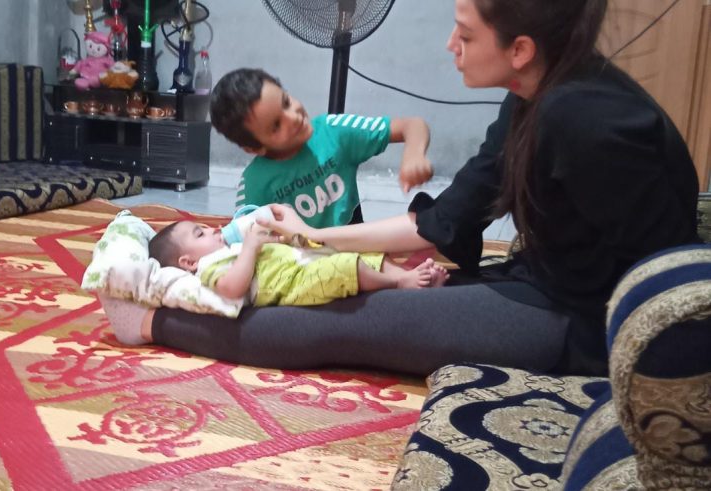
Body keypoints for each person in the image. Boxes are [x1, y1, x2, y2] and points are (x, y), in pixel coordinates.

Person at [102, 0, 700, 377]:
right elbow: (442, 220)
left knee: (346, 317)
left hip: (584, 321)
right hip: (545, 281)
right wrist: (314, 237)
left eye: (465, 35)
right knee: (366, 285)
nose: (450, 46)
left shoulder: (585, 117)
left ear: (520, 49)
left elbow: (658, 273)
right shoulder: (532, 97)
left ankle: (154, 322)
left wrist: (318, 239)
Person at [209, 68, 433, 226]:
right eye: (276, 125)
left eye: (286, 102)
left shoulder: (334, 131)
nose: (293, 118)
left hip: (356, 251)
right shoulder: (254, 183)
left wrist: (414, 155)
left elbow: (412, 125)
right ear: (254, 148)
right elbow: (243, 239)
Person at [147, 220, 448, 308]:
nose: (213, 229)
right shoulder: (208, 268)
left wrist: (283, 238)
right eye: (200, 234)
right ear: (188, 261)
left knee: (369, 254)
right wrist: (250, 247)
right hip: (293, 284)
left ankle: (412, 279)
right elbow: (232, 288)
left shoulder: (229, 249)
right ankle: (400, 283)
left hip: (300, 262)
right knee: (348, 266)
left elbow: (270, 249)